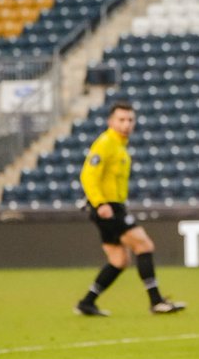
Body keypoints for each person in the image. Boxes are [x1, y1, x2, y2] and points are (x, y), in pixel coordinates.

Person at [74, 100, 185, 316]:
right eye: (121, 120)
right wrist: (100, 203)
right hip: (108, 207)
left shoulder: (119, 145)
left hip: (111, 206)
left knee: (119, 260)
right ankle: (156, 301)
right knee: (144, 245)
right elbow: (88, 175)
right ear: (110, 121)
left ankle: (87, 302)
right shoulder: (105, 143)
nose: (126, 124)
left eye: (130, 120)